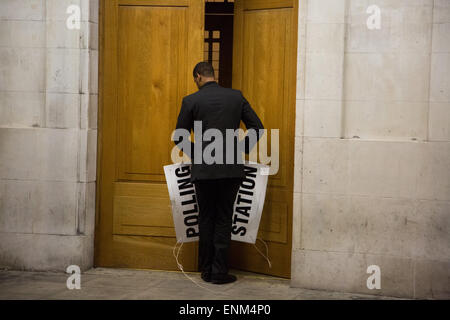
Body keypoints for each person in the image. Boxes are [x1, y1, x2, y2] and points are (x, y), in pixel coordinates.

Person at [174, 62, 264, 284]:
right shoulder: (236, 96)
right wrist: (239, 150)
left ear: (197, 77)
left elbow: (179, 136)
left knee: (206, 218)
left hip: (204, 171)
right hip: (230, 169)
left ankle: (206, 270)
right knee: (224, 218)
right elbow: (257, 127)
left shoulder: (191, 100)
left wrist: (199, 155)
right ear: (213, 76)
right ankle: (220, 272)